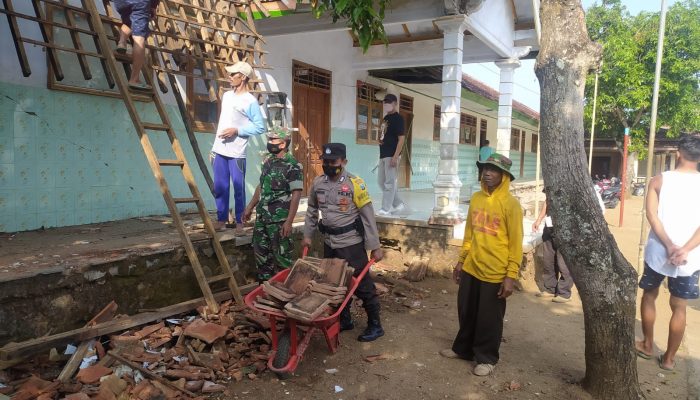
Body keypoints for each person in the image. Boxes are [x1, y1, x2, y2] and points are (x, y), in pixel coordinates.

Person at [440, 153, 523, 376]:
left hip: (495, 271)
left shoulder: (511, 205)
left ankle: (487, 358)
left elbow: (516, 244)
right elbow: (469, 234)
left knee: (489, 318)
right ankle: (464, 349)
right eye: (485, 168)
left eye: (493, 170)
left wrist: (510, 276)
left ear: (504, 176)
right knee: (467, 311)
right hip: (471, 267)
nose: (487, 173)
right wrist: (460, 261)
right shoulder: (476, 198)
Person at [302, 143, 385, 342]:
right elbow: (312, 210)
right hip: (329, 242)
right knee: (334, 283)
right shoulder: (318, 183)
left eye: (333, 161)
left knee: (362, 284)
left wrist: (375, 246)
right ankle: (344, 319)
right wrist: (307, 235)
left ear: (344, 162)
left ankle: (375, 325)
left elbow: (368, 216)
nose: (329, 165)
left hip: (351, 244)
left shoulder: (356, 183)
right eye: (326, 161)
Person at [636, 134, 700, 371]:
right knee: (679, 306)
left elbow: (652, 216)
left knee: (650, 296)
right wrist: (683, 249)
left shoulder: (659, 180)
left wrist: (669, 245)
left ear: (678, 154)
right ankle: (670, 360)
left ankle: (648, 344)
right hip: (690, 258)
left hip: (657, 253)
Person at [211, 62, 265, 234]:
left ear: (242, 77)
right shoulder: (227, 96)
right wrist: (214, 148)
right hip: (220, 149)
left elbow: (259, 127)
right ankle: (221, 219)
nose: (229, 77)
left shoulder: (250, 101)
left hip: (237, 153)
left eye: (232, 74)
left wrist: (237, 130)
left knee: (238, 188)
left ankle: (240, 222)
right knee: (220, 186)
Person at [244, 127, 302, 282]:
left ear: (283, 144)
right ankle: (266, 290)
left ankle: (287, 294)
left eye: (273, 140)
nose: (269, 142)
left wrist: (289, 221)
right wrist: (250, 207)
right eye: (269, 139)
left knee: (282, 259)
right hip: (262, 217)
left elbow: (296, 193)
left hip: (279, 220)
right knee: (261, 256)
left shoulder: (292, 164)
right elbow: (261, 185)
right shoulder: (268, 161)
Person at [114, 0, 159, 91]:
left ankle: (122, 42)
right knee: (139, 38)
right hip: (140, 2)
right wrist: (153, 6)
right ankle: (134, 80)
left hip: (120, 3)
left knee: (128, 22)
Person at [376, 94, 406, 216]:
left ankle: (385, 209)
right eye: (385, 102)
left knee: (389, 182)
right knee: (381, 181)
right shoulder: (385, 118)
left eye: (389, 102)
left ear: (395, 104)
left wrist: (395, 157)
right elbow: (384, 133)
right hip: (383, 154)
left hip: (391, 155)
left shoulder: (398, 119)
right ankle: (399, 204)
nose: (386, 104)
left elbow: (401, 139)